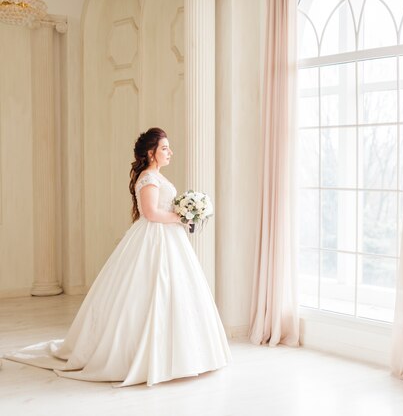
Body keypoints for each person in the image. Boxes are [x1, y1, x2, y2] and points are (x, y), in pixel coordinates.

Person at [2, 127, 231, 387]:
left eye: (169, 147)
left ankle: (187, 354)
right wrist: (182, 216)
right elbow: (151, 213)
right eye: (165, 148)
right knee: (148, 293)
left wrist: (186, 214)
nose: (170, 152)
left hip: (169, 239)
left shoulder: (156, 176)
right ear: (151, 152)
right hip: (154, 238)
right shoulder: (148, 178)